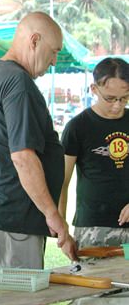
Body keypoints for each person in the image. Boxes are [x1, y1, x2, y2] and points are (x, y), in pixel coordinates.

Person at [0, 12, 78, 305]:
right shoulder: (17, 82)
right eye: (54, 51)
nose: (55, 61)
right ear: (34, 41)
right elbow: (23, 156)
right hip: (12, 219)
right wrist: (53, 214)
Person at [59, 57, 129, 248]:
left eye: (124, 98)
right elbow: (62, 181)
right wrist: (62, 231)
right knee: (95, 277)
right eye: (110, 98)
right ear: (94, 89)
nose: (117, 105)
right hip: (93, 227)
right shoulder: (77, 127)